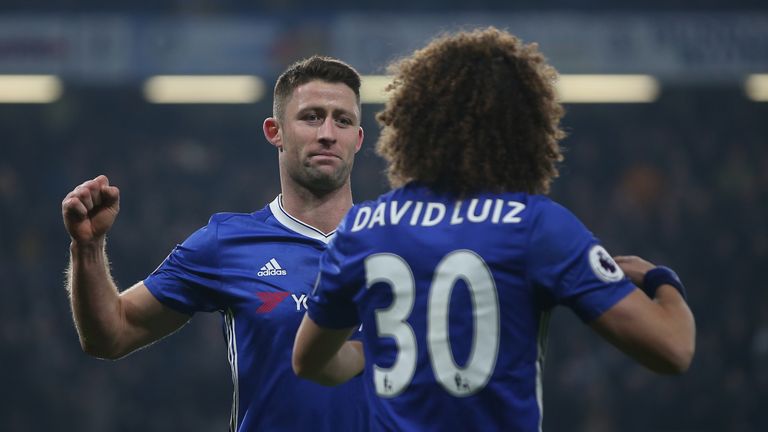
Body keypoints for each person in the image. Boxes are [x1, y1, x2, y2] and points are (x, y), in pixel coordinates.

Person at [292, 28, 696, 431]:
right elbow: (674, 350)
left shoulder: (364, 226)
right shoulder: (536, 225)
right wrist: (661, 280)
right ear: (525, 129)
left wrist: (372, 350)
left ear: (413, 122)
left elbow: (309, 362)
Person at [62, 56, 368, 431]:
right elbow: (111, 333)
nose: (328, 133)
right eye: (311, 117)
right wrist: (88, 249)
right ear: (275, 131)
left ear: (358, 137)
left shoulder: (396, 242)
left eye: (343, 120)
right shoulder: (226, 243)